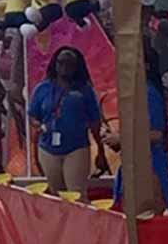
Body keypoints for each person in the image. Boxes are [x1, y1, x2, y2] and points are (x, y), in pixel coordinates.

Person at [27, 47, 109, 201]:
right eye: (61, 63)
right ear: (55, 64)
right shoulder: (42, 89)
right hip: (48, 148)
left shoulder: (85, 91)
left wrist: (100, 150)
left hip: (76, 147)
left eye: (70, 64)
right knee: (56, 194)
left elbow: (94, 122)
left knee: (76, 194)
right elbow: (33, 116)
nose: (64, 67)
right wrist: (39, 126)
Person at [105, 41, 168, 213]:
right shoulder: (135, 91)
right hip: (133, 163)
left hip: (149, 167)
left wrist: (122, 139)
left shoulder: (148, 93)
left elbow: (156, 134)